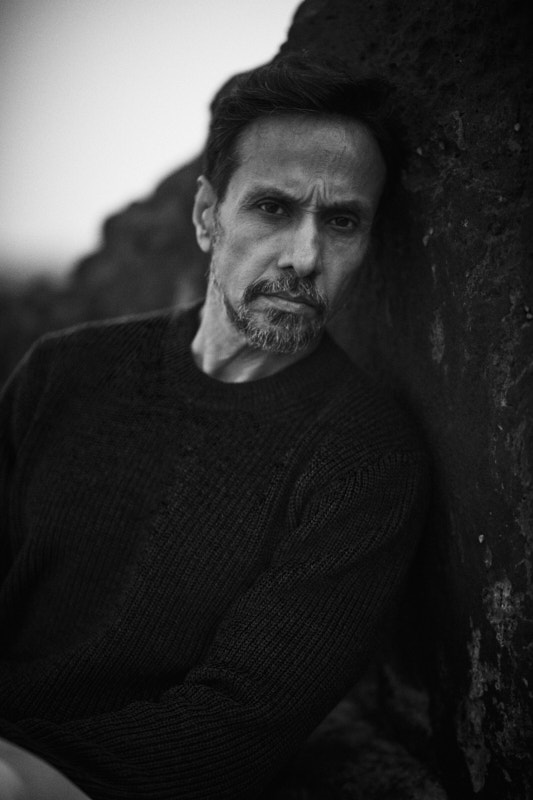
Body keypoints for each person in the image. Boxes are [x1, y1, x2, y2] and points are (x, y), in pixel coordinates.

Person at [0, 54, 428, 799]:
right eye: (272, 208)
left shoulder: (363, 460)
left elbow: (234, 728)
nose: (304, 257)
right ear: (207, 217)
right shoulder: (63, 372)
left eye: (341, 221)